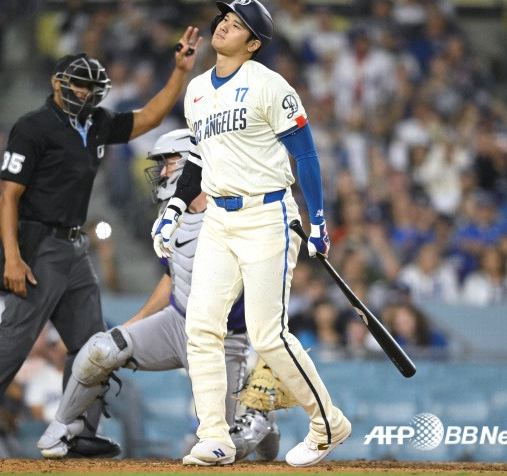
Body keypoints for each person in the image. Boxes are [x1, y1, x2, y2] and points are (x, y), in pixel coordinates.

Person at [0, 27, 202, 459]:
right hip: (39, 244)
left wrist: (180, 71)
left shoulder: (94, 123)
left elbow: (148, 117)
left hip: (75, 248)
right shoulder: (33, 127)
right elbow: (8, 196)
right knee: (15, 337)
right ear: (58, 83)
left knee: (91, 343)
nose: (86, 93)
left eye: (93, 87)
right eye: (79, 84)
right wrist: (14, 258)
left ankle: (74, 430)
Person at [152, 1, 350, 467]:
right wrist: (177, 206)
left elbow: (306, 155)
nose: (224, 24)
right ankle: (215, 436)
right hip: (219, 218)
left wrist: (318, 218)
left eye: (237, 23)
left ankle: (328, 424)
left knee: (267, 333)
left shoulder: (270, 85)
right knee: (200, 327)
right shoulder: (197, 90)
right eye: (225, 17)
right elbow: (200, 159)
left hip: (267, 215)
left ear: (254, 43)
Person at [36, 129, 279, 461]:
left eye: (168, 162)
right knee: (103, 348)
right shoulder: (171, 217)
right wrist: (133, 324)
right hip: (176, 322)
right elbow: (172, 280)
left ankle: (261, 421)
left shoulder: (235, 213)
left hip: (223, 340)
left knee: (223, 446)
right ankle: (62, 430)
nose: (162, 171)